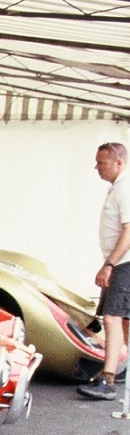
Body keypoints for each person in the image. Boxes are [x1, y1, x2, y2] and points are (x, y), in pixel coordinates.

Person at [78, 142, 130, 400]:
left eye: (102, 162)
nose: (96, 167)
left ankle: (108, 378)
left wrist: (109, 263)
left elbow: (129, 231)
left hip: (124, 264)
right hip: (122, 263)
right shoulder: (117, 189)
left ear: (119, 162)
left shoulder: (125, 190)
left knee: (112, 318)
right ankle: (123, 371)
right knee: (124, 320)